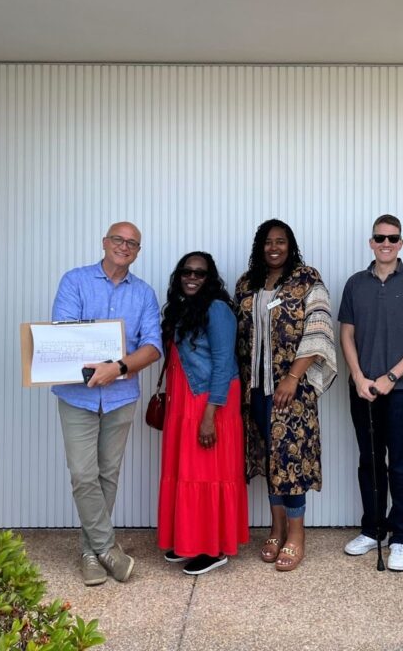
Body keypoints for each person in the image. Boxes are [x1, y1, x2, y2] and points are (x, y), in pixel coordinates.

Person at [51, 221, 162, 586]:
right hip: (78, 397)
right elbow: (64, 334)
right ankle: (108, 548)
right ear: (104, 242)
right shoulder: (75, 281)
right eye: (119, 239)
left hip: (120, 398)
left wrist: (117, 367)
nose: (124, 246)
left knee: (106, 476)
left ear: (138, 251)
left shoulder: (144, 294)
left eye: (132, 243)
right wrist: (100, 360)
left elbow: (152, 346)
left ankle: (89, 552)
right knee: (83, 475)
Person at [234, 219, 337, 572]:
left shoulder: (307, 280)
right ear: (259, 247)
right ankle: (276, 527)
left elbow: (319, 328)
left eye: (280, 241)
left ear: (290, 245)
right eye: (267, 242)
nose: (273, 247)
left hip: (292, 389)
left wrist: (293, 377)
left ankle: (296, 534)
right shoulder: (247, 284)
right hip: (256, 389)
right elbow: (237, 334)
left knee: (292, 458)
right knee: (269, 459)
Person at [339, 214, 403, 571]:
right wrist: (359, 376)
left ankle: (402, 537)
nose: (386, 243)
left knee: (401, 462)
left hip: (399, 389)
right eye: (379, 237)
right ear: (371, 242)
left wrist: (391, 376)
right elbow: (346, 334)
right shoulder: (355, 284)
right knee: (369, 461)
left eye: (392, 238)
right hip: (362, 389)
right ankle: (373, 529)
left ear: (401, 243)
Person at [156, 252, 249, 575]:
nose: (192, 277)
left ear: (210, 278)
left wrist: (209, 415)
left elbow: (224, 364)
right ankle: (188, 541)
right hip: (184, 400)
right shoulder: (181, 308)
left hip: (209, 401)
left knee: (207, 475)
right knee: (186, 473)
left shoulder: (217, 309)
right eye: (187, 271)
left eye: (200, 273)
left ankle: (213, 548)